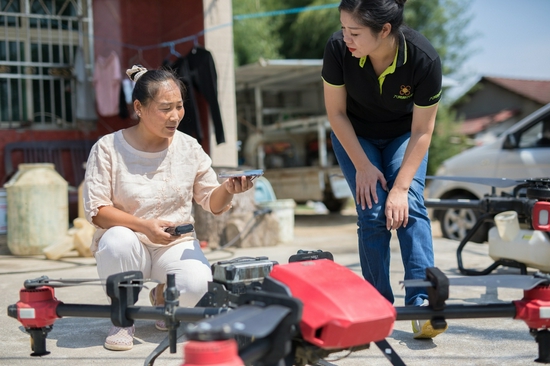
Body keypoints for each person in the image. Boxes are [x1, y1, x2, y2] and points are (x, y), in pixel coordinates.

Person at [83, 65, 254, 351]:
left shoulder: (189, 147)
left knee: (199, 287)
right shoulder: (108, 147)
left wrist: (228, 189)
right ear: (139, 107)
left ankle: (163, 296)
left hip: (174, 244)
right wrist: (143, 226)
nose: (175, 116)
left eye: (179, 107)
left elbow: (211, 201)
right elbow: (98, 211)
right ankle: (122, 319)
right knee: (116, 241)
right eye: (165, 108)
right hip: (130, 241)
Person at [322, 0, 446, 339]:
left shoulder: (424, 59)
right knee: (373, 211)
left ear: (385, 30)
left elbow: (422, 130)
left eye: (355, 32)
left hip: (404, 137)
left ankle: (422, 303)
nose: (345, 37)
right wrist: (362, 166)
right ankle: (375, 304)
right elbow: (336, 114)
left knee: (410, 207)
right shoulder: (337, 49)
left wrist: (402, 187)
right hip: (355, 136)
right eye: (344, 28)